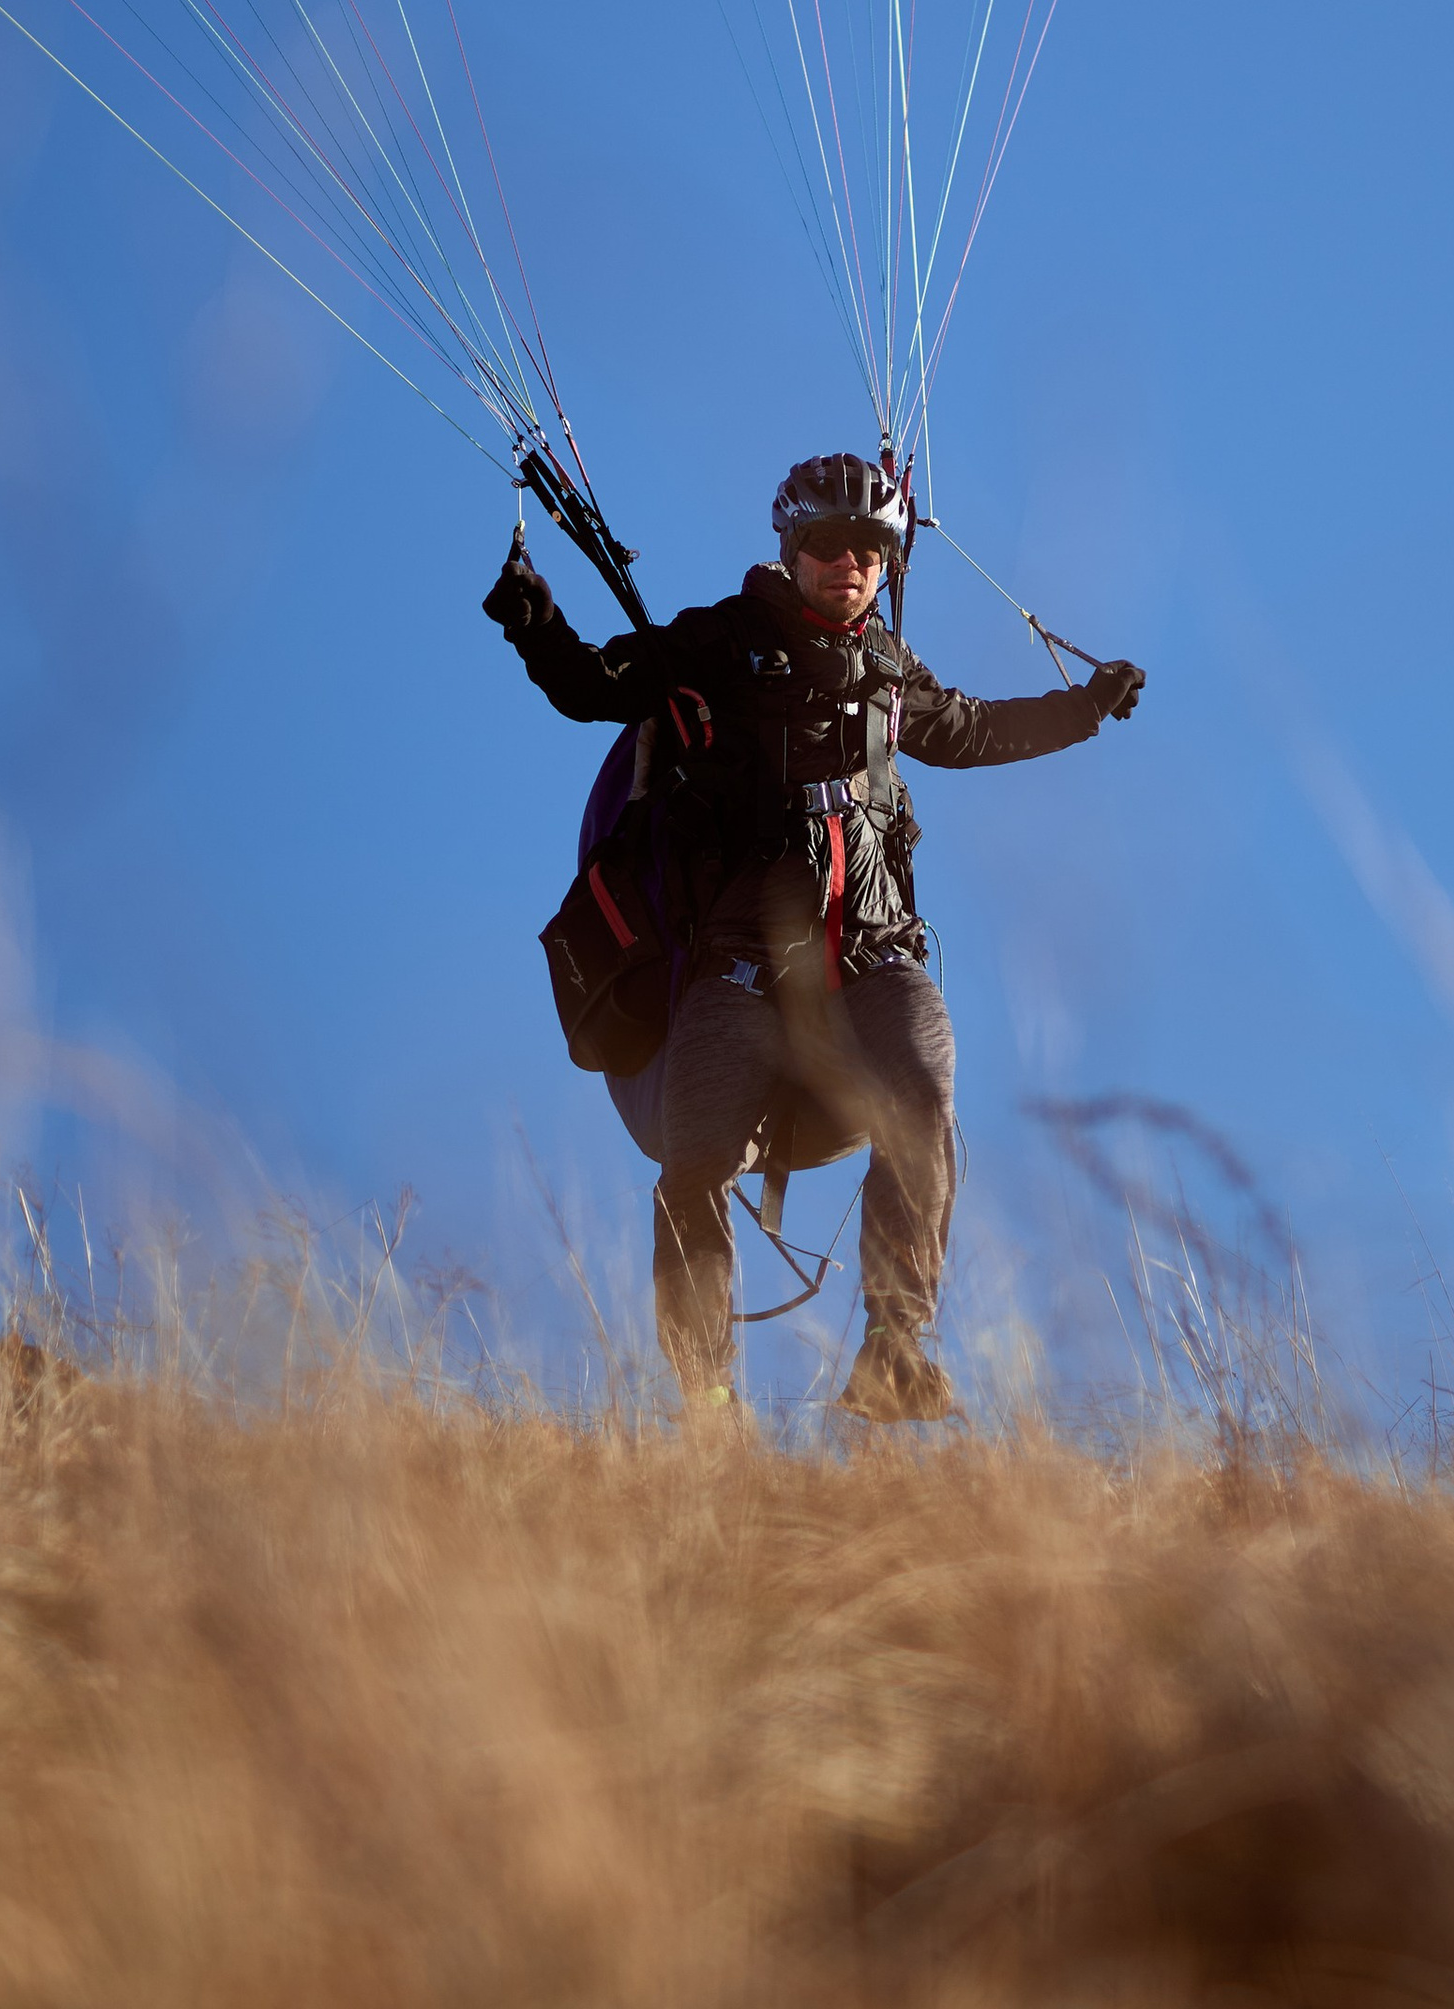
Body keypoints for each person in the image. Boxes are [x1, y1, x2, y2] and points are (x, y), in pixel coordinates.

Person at [485, 451, 1144, 1421]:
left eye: (869, 546)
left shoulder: (887, 667)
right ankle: (707, 1403)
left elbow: (970, 730)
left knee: (925, 1103)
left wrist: (1082, 708)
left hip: (875, 954)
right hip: (740, 971)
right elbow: (593, 687)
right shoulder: (719, 641)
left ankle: (892, 1347)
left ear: (887, 560)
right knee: (695, 1162)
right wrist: (533, 617)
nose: (850, 561)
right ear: (790, 551)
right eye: (827, 544)